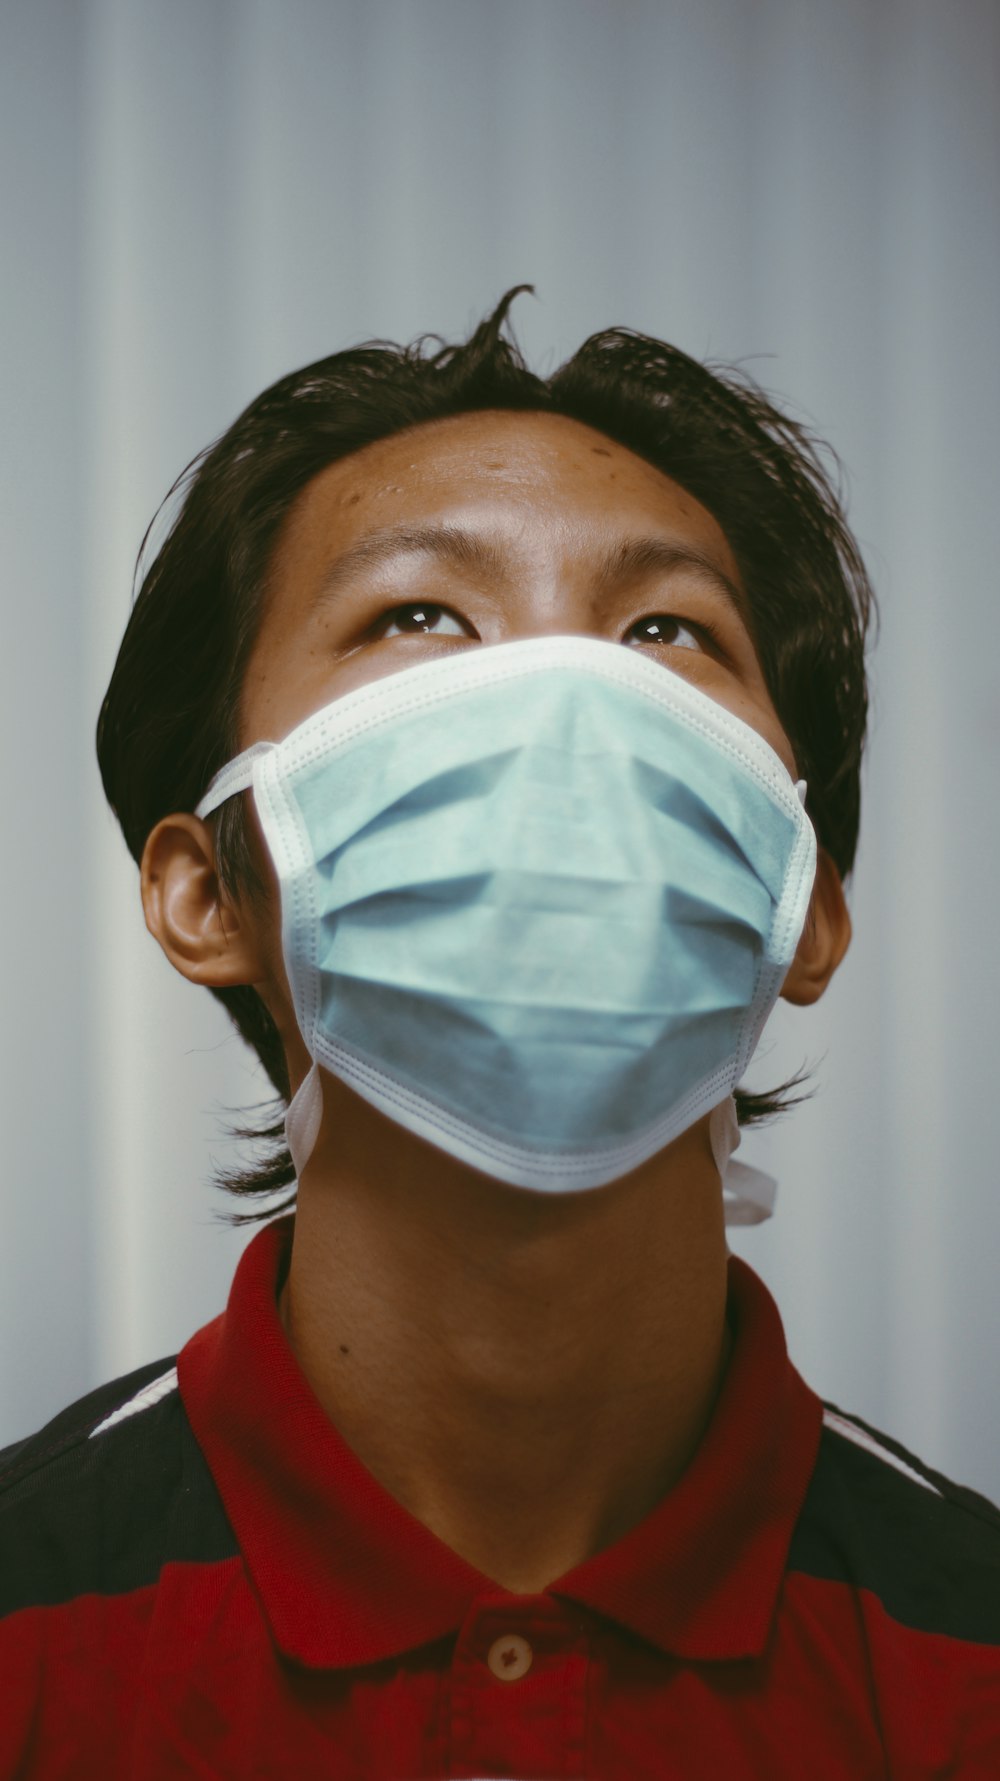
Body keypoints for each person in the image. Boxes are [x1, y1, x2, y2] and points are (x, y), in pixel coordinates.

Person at [1, 289, 997, 1779]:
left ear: (804, 907)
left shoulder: (967, 1651)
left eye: (667, 629)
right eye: (419, 615)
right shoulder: (34, 1619)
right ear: (209, 885)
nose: (567, 699)